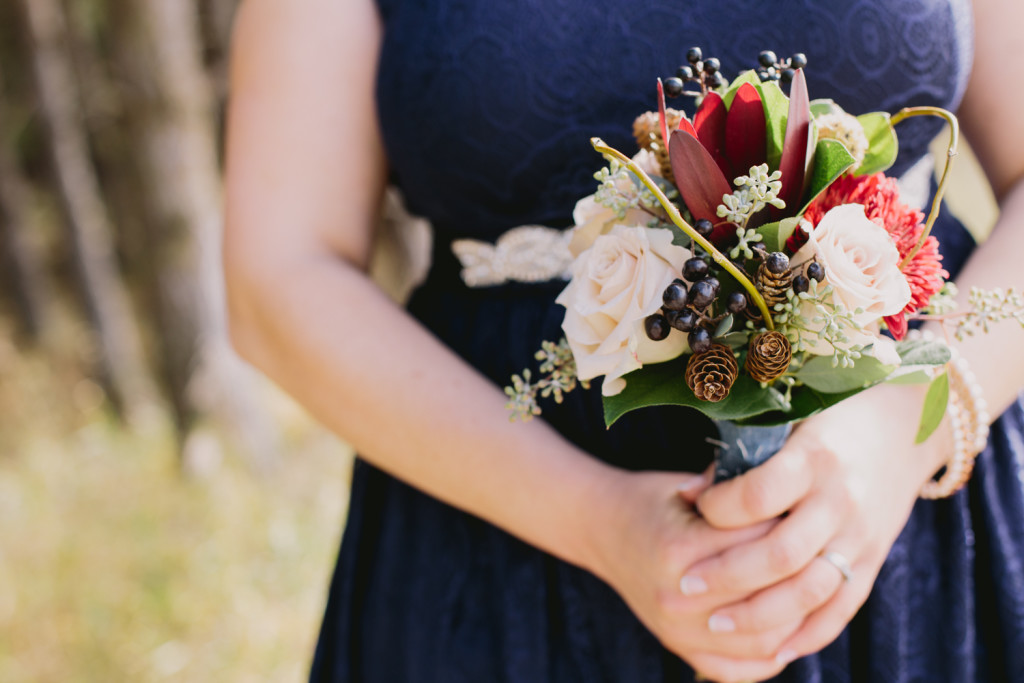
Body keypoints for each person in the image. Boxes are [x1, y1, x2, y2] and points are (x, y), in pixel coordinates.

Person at [222, 0, 1024, 680]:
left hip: (918, 524)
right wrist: (594, 518)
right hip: (501, 559)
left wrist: (904, 428)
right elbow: (280, 274)